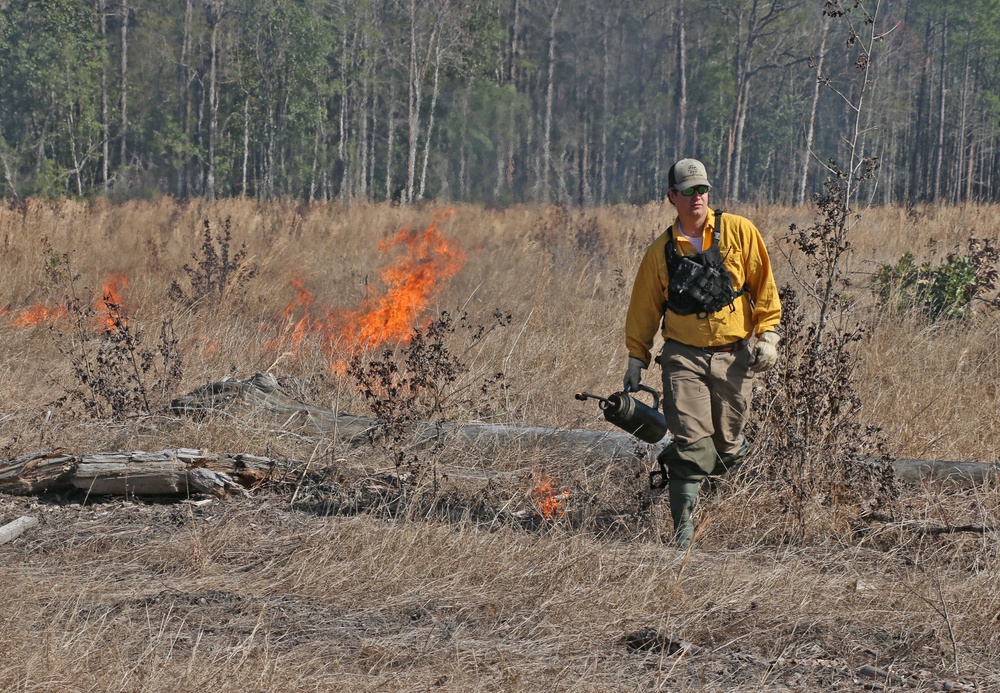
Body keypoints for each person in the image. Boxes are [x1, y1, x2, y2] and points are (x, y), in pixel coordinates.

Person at [623, 158, 782, 548]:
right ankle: (683, 532)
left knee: (727, 445)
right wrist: (636, 358)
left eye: (702, 189)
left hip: (733, 356)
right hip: (682, 357)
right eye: (688, 191)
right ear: (672, 197)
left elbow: (764, 286)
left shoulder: (740, 231)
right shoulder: (660, 252)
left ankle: (708, 490)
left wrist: (769, 336)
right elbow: (644, 309)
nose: (697, 197)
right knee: (692, 441)